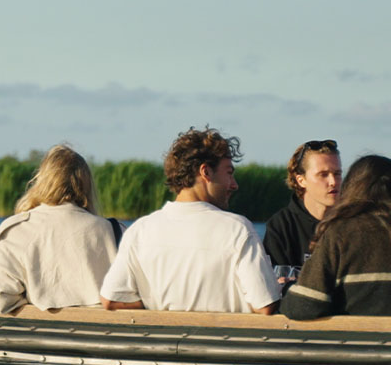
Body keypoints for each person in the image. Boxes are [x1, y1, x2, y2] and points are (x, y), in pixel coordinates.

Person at [99, 127, 280, 314]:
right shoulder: (238, 229)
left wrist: (157, 303)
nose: (234, 184)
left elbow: (111, 300)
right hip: (224, 340)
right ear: (206, 172)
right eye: (228, 173)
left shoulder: (139, 230)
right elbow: (264, 305)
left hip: (163, 341)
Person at [281, 155, 391, 319]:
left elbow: (304, 306)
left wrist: (287, 289)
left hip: (355, 346)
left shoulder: (339, 233)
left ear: (353, 189)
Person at [0, 145, 118, 314]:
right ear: (87, 184)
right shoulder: (115, 231)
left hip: (39, 335)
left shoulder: (14, 231)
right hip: (104, 334)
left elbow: (1, 298)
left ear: (41, 181)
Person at [263, 140, 342, 269]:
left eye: (337, 174)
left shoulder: (352, 223)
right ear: (301, 180)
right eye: (323, 175)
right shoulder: (282, 226)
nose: (333, 181)